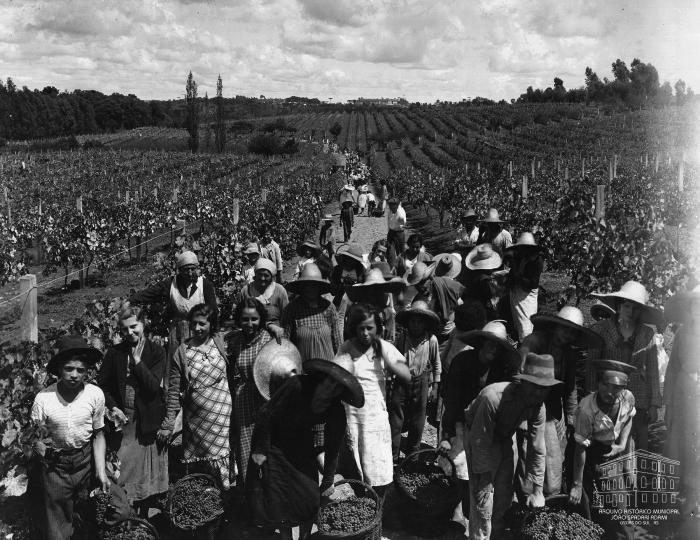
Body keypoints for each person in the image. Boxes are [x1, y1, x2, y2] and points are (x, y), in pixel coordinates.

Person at [248, 359, 363, 540]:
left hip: (302, 445)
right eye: (329, 383)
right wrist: (261, 450)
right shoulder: (297, 385)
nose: (331, 390)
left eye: (337, 388)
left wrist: (328, 480)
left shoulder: (336, 410)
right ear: (321, 379)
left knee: (309, 498)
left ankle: (304, 537)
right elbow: (266, 414)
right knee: (279, 496)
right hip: (274, 441)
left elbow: (333, 448)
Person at [462, 352, 559, 540]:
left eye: (544, 389)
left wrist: (537, 491)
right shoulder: (493, 397)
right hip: (479, 435)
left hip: (505, 437)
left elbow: (537, 447)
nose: (539, 393)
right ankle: (480, 536)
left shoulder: (539, 406)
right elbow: (480, 441)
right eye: (535, 387)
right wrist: (484, 478)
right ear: (523, 382)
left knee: (504, 493)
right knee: (483, 497)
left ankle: (496, 533)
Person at [517, 306, 604, 497]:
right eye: (565, 329)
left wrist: (571, 419)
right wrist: (522, 415)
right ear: (556, 327)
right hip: (529, 404)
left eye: (573, 332)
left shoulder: (569, 353)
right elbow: (519, 375)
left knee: (555, 458)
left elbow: (570, 388)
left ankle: (548, 498)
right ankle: (526, 499)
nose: (568, 335)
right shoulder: (536, 342)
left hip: (553, 409)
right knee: (530, 454)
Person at [439, 321, 520, 519]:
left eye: (498, 345)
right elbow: (451, 400)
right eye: (490, 343)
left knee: (483, 468)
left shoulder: (504, 368)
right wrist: (448, 433)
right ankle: (457, 506)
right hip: (461, 421)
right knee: (456, 464)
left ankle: (478, 509)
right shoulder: (462, 361)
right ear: (482, 343)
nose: (493, 348)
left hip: (488, 426)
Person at [30, 335, 108, 540]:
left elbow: (98, 435)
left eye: (80, 370)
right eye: (69, 369)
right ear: (59, 370)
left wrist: (101, 471)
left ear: (87, 372)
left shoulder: (95, 395)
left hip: (85, 462)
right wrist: (38, 447)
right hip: (55, 467)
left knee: (91, 520)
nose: (74, 375)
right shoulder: (44, 399)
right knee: (57, 530)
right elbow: (34, 436)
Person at [333, 304, 410, 495]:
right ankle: (362, 501)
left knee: (377, 463)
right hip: (353, 414)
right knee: (356, 461)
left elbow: (406, 374)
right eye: (361, 328)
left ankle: (379, 504)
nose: (365, 333)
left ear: (378, 328)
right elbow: (335, 374)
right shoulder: (347, 347)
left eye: (370, 328)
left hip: (375, 414)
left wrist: (385, 354)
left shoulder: (384, 347)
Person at [97, 306, 168, 514]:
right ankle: (125, 513)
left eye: (134, 327)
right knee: (124, 468)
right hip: (124, 420)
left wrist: (137, 362)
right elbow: (103, 385)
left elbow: (153, 387)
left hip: (147, 418)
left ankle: (145, 515)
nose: (130, 333)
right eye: (125, 329)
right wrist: (113, 406)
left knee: (147, 470)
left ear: (143, 324)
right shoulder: (115, 353)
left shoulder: (156, 352)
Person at [158, 304, 232, 488]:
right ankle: (203, 505)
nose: (197, 328)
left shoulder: (221, 342)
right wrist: (169, 423)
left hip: (223, 417)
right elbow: (174, 390)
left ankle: (226, 502)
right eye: (193, 324)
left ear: (211, 324)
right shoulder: (182, 352)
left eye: (202, 324)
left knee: (223, 459)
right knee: (200, 466)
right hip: (197, 421)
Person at [587, 280, 663, 451]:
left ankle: (635, 477)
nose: (631, 312)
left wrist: (654, 404)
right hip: (609, 395)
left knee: (638, 442)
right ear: (619, 305)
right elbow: (592, 368)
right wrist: (591, 398)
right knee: (610, 440)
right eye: (628, 306)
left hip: (639, 396)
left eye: (636, 308)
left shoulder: (647, 333)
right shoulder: (600, 330)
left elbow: (652, 370)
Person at [569, 359, 636, 540]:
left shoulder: (628, 398)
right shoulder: (586, 409)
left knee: (619, 508)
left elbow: (629, 418)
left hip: (611, 453)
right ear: (598, 383)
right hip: (586, 454)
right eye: (605, 385)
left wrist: (623, 446)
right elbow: (580, 448)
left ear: (623, 388)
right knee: (587, 507)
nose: (609, 392)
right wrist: (577, 483)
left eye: (616, 388)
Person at [130, 250, 218, 380]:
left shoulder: (205, 285)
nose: (189, 273)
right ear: (179, 271)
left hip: (200, 330)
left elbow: (214, 313)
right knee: (176, 366)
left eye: (192, 269)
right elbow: (151, 293)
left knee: (199, 365)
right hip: (178, 332)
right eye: (185, 270)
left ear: (197, 269)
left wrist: (213, 334)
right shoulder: (171, 284)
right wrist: (131, 300)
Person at [227, 298, 275, 486]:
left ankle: (271, 497)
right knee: (246, 450)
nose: (249, 324)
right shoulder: (235, 341)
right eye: (245, 319)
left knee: (267, 448)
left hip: (264, 401)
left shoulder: (269, 340)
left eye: (254, 319)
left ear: (261, 319)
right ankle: (251, 496)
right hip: (243, 402)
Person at [663, 285, 700, 522]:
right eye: (695, 305)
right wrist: (667, 402)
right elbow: (672, 368)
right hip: (682, 394)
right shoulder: (683, 334)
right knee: (682, 442)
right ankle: (682, 494)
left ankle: (696, 494)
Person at [390, 300, 441, 461]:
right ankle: (393, 456)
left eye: (420, 322)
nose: (416, 325)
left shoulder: (431, 340)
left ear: (426, 324)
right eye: (413, 321)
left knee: (418, 420)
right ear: (408, 322)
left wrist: (435, 387)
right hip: (401, 381)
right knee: (396, 419)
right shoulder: (402, 338)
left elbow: (436, 364)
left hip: (422, 381)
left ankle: (412, 457)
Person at [282, 263, 342, 362]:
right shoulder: (291, 310)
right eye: (307, 285)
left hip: (329, 369)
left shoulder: (328, 308)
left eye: (314, 285)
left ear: (320, 287)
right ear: (301, 287)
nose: (311, 288)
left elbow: (337, 341)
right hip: (304, 371)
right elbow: (285, 344)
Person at [407, 261, 465, 343]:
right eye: (417, 284)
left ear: (429, 278)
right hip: (430, 334)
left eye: (422, 282)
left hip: (448, 331)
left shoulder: (442, 285)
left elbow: (462, 296)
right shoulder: (419, 297)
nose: (420, 286)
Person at [238, 258, 289, 343]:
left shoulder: (279, 290)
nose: (262, 278)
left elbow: (287, 317)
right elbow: (240, 316)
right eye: (260, 274)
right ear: (255, 275)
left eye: (266, 275)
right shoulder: (245, 291)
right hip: (251, 336)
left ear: (272, 277)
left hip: (275, 336)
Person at [505, 232, 544, 341]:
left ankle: (526, 343)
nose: (522, 249)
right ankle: (519, 338)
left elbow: (532, 284)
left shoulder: (537, 260)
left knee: (526, 321)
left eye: (525, 247)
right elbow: (512, 274)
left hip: (527, 294)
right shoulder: (519, 256)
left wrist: (518, 274)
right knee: (518, 320)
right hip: (517, 292)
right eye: (521, 247)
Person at [386, 197, 407, 265]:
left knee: (400, 253)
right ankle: (391, 267)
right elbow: (389, 222)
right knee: (390, 251)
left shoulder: (400, 213)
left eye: (391, 205)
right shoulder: (390, 211)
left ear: (397, 205)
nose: (389, 207)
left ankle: (401, 267)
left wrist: (401, 221)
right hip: (391, 232)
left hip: (399, 234)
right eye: (389, 205)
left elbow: (403, 224)